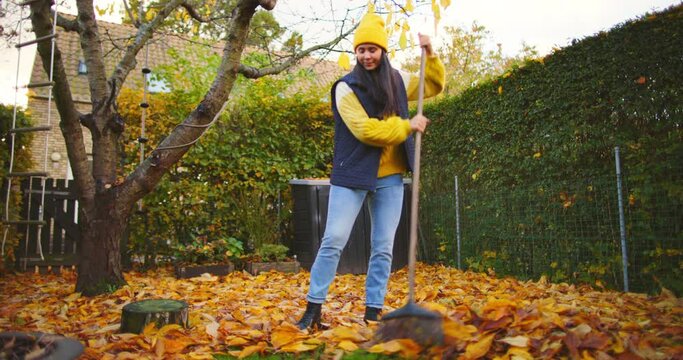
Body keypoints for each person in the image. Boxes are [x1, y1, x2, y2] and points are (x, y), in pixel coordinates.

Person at [295, 12, 445, 330]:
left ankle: (373, 311)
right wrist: (407, 125)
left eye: (372, 49)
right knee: (333, 239)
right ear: (356, 53)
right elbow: (366, 131)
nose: (366, 55)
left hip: (390, 177)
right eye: (361, 50)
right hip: (352, 175)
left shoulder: (399, 81)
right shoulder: (345, 88)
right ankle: (313, 308)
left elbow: (432, 85)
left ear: (383, 50)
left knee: (383, 246)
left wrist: (430, 53)